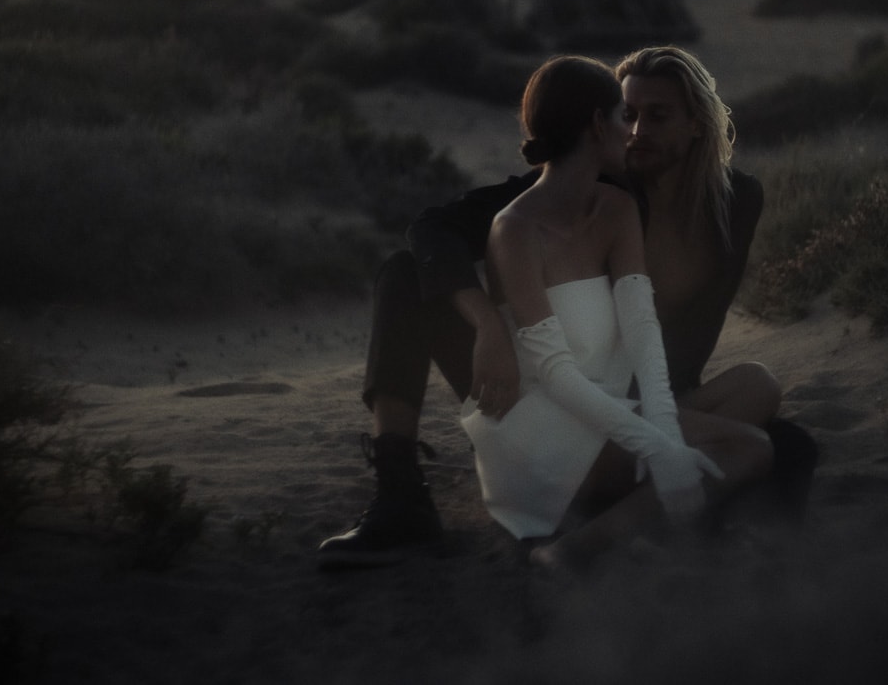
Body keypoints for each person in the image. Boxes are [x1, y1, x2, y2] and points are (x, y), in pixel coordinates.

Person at [318, 46, 814, 569]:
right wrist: (486, 324)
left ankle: (723, 538)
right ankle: (400, 497)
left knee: (787, 440)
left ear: (698, 124)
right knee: (403, 273)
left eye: (658, 116)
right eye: (630, 115)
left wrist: (663, 413)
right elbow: (431, 229)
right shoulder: (589, 187)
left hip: (654, 390)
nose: (639, 130)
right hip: (538, 384)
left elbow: (685, 330)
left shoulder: (736, 202)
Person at [459, 55, 772, 569]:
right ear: (598, 125)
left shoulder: (616, 208)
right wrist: (657, 445)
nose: (634, 132)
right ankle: (570, 553)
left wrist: (662, 431)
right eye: (625, 116)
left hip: (609, 412)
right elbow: (553, 373)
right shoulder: (513, 229)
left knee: (757, 386)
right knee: (750, 449)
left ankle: (648, 516)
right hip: (546, 426)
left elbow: (641, 329)